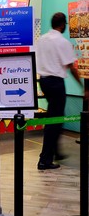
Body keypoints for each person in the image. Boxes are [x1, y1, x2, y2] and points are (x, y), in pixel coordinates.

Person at [36, 12, 82, 170]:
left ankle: (56, 151)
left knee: (54, 117)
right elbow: (72, 68)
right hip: (56, 84)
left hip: (43, 82)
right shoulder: (63, 42)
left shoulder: (41, 39)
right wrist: (82, 87)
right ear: (62, 25)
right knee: (54, 122)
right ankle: (44, 160)